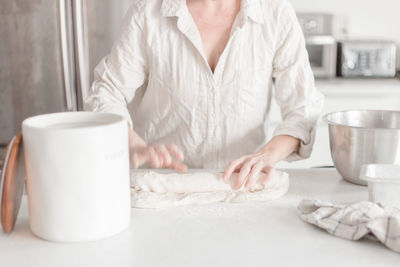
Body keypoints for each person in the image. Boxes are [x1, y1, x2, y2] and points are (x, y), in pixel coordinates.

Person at [85, 0, 324, 189]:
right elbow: (107, 90)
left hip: (241, 188)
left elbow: (303, 110)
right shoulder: (147, 14)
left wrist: (267, 155)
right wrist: (131, 142)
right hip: (161, 185)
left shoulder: (276, 15)